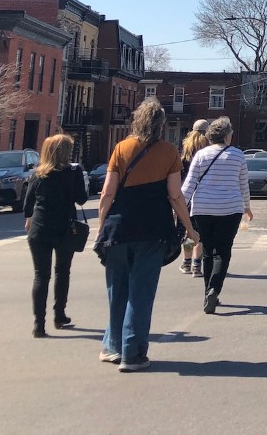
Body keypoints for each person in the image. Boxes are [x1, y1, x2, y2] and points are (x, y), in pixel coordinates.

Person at [97, 97, 199, 372]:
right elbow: (176, 196)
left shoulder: (121, 148)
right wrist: (189, 228)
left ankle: (112, 347)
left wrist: (101, 226)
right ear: (161, 125)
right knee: (140, 293)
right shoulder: (169, 152)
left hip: (118, 228)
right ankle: (133, 353)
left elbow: (107, 193)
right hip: (153, 229)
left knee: (116, 290)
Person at [181, 116, 251, 315]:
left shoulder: (201, 155)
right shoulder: (238, 155)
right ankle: (214, 289)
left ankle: (207, 293)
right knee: (223, 251)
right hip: (230, 208)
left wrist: (180, 206)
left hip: (203, 208)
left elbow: (189, 183)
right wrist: (247, 206)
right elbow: (243, 184)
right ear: (227, 136)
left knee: (208, 250)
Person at [23, 133, 88, 337]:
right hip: (65, 229)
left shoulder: (38, 174)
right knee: (62, 271)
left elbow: (27, 204)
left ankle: (38, 324)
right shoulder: (73, 172)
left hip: (40, 229)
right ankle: (59, 315)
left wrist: (29, 218)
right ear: (65, 152)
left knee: (41, 276)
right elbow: (82, 199)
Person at [178, 124, 211, 276]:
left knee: (189, 232)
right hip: (203, 197)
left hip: (186, 196)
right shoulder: (208, 152)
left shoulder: (185, 153)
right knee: (201, 233)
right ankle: (197, 266)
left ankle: (186, 263)